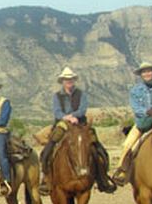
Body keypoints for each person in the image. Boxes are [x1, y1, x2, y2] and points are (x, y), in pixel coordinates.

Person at [38, 67, 115, 195]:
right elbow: (57, 112)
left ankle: (102, 178)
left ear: (74, 80)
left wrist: (74, 116)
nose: (69, 81)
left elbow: (83, 109)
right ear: (62, 81)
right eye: (66, 79)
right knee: (50, 146)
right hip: (63, 123)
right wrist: (67, 117)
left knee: (97, 147)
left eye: (71, 79)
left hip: (80, 122)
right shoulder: (57, 96)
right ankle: (47, 179)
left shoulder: (81, 94)